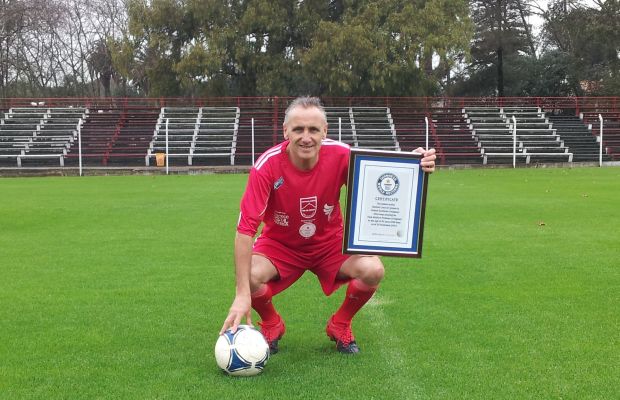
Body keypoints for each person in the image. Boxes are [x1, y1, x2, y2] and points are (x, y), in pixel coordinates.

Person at [220, 96, 436, 354]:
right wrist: (242, 293)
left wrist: (412, 164)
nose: (306, 137)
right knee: (249, 276)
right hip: (281, 245)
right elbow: (245, 231)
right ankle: (272, 323)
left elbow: (381, 176)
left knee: (373, 270)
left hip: (330, 244)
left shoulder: (341, 154)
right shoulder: (266, 166)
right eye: (298, 129)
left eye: (313, 129)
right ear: (286, 131)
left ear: (325, 131)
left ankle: (340, 324)